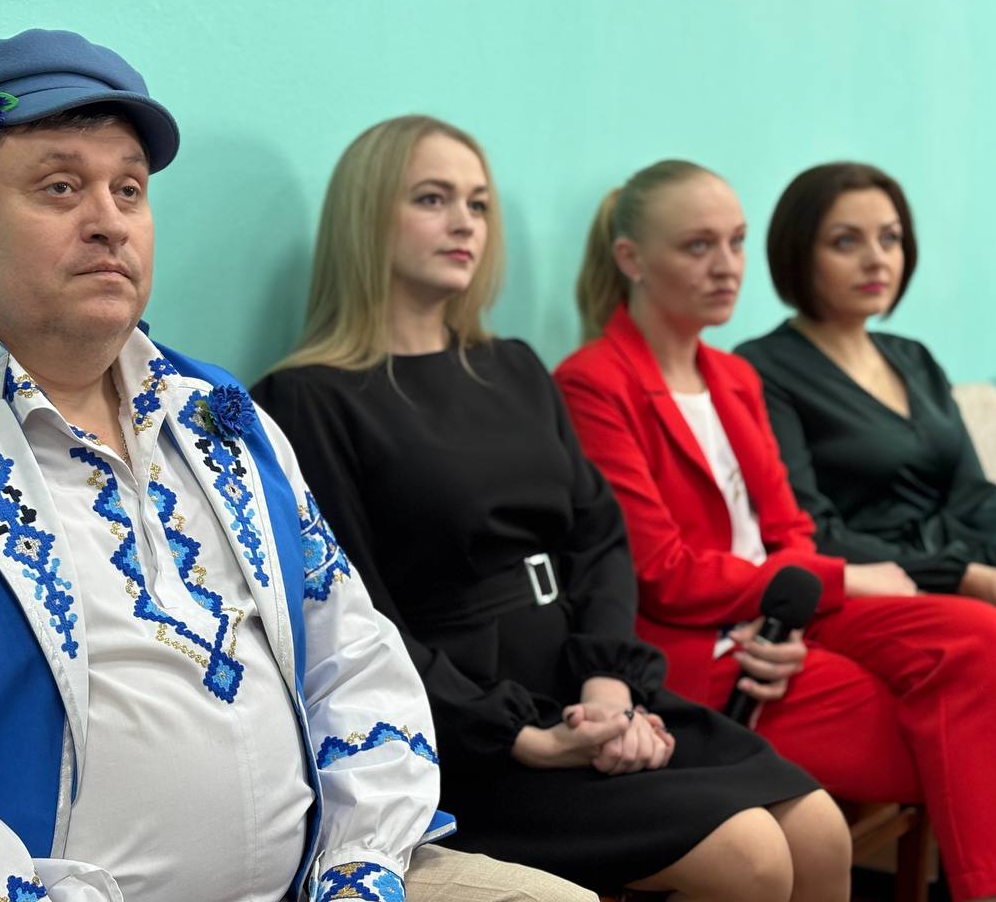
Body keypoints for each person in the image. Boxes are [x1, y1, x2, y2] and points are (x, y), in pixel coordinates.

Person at [0, 30, 592, 902]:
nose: (109, 220)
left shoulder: (216, 415)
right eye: (60, 187)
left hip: (327, 878)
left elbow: (352, 657)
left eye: (129, 189)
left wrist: (361, 866)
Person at [253, 116, 851, 902]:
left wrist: (608, 684)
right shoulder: (306, 400)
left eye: (478, 203)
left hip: (579, 683)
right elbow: (355, 621)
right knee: (751, 857)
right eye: (433, 199)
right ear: (366, 218)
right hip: (464, 732)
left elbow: (599, 539)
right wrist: (519, 735)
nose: (465, 222)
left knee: (819, 828)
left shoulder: (513, 366)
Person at [555, 158, 996, 902]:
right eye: (698, 247)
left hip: (782, 620)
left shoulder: (733, 377)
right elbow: (662, 570)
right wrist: (821, 587)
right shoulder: (593, 382)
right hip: (707, 650)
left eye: (735, 242)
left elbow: (791, 528)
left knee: (982, 638)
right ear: (632, 259)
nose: (727, 266)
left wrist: (792, 610)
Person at [734, 161, 996, 676]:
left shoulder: (913, 357)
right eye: (846, 242)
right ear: (798, 253)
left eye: (890, 239)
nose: (876, 259)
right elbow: (813, 530)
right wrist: (964, 577)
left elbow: (977, 492)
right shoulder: (763, 369)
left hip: (974, 564)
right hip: (890, 580)